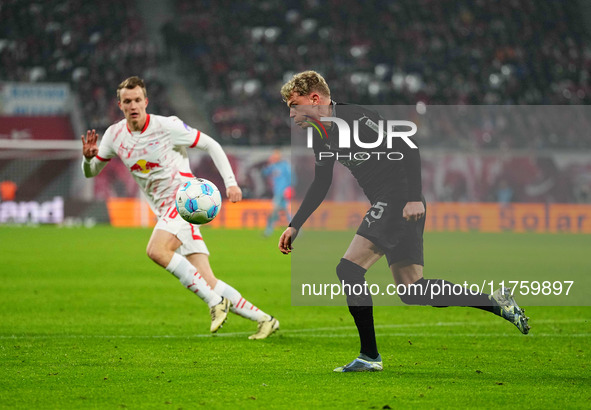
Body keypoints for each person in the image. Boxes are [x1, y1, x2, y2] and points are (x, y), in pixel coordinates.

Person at [278, 71, 529, 372]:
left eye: (294, 105)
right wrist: (296, 223)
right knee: (413, 290)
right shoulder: (322, 134)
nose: (291, 114)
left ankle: (369, 357)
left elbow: (409, 147)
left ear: (315, 98)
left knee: (348, 269)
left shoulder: (356, 118)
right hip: (394, 202)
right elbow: (321, 183)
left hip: (399, 199)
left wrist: (412, 197)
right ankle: (495, 302)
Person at [81, 76, 279, 339]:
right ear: (120, 105)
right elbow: (91, 172)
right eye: (127, 101)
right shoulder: (115, 136)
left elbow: (212, 144)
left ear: (146, 101)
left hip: (186, 200)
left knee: (156, 250)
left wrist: (231, 183)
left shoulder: (167, 127)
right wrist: (87, 159)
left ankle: (215, 302)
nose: (133, 105)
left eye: (138, 100)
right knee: (208, 279)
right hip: (164, 212)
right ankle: (265, 319)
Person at [262, 149, 292, 237]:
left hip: (283, 192)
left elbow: (291, 177)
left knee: (274, 210)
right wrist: (269, 163)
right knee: (287, 212)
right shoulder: (273, 166)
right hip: (277, 191)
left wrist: (289, 189)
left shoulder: (285, 166)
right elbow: (265, 173)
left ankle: (268, 230)